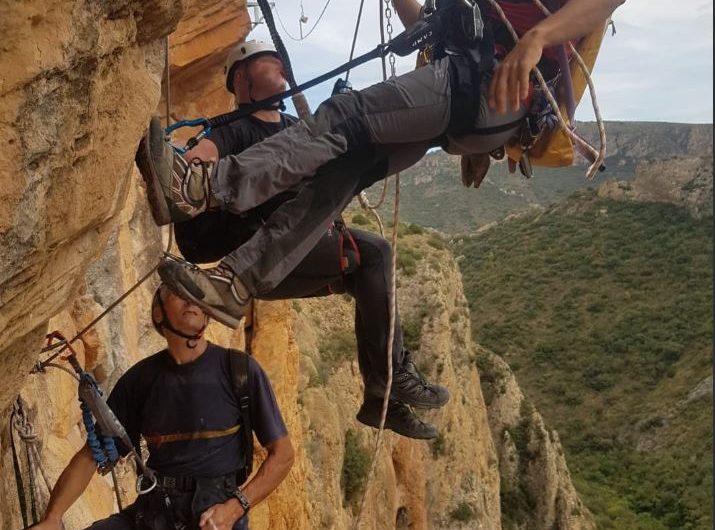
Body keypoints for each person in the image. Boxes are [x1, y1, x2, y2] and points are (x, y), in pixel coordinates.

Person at [136, 0, 623, 350]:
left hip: (478, 86)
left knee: (342, 117)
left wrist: (538, 36)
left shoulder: (529, 23)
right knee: (344, 169)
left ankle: (200, 186)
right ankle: (236, 283)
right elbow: (434, 25)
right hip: (476, 98)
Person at [157, 41, 448, 440]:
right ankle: (391, 380)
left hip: (299, 247)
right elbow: (197, 161)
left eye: (281, 63)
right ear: (241, 81)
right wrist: (191, 168)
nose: (281, 68)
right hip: (268, 245)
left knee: (372, 275)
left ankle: (382, 399)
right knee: (376, 254)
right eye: (268, 62)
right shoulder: (232, 129)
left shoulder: (298, 126)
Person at [31, 284, 294, 530]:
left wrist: (235, 508)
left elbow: (282, 455)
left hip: (214, 516)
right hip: (153, 512)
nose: (192, 299)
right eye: (180, 291)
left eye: (198, 294)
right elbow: (92, 454)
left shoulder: (239, 370)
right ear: (158, 313)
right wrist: (52, 519)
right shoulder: (140, 380)